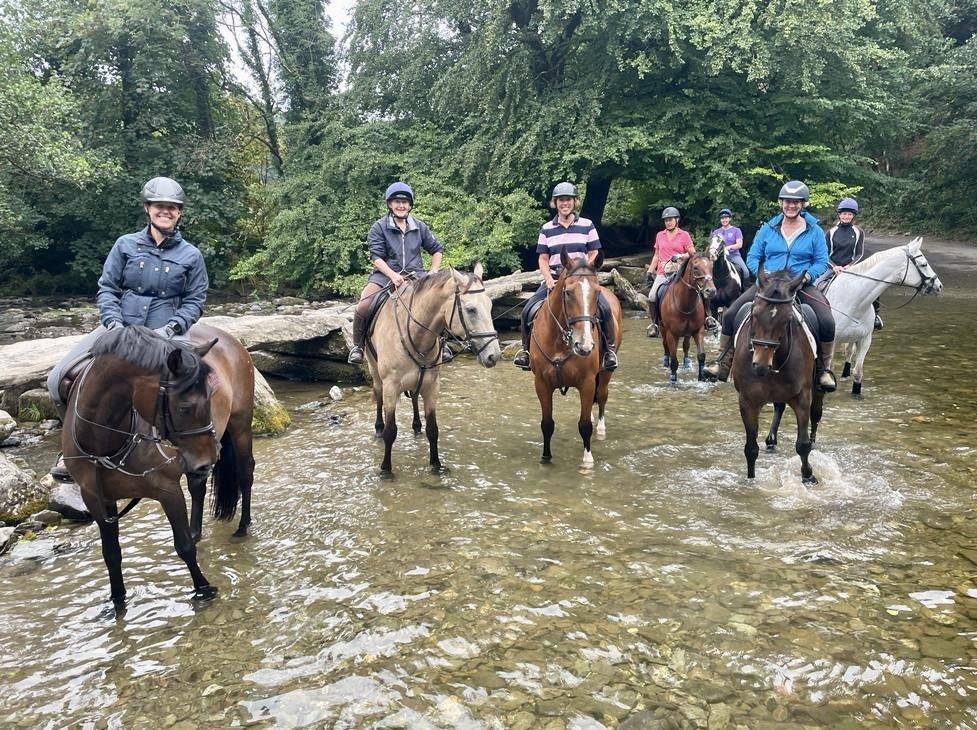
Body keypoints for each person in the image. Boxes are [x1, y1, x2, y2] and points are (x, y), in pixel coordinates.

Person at [46, 176, 209, 477]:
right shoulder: (125, 245)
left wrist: (172, 329)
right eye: (160, 206)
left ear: (180, 213)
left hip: (166, 333)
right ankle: (69, 446)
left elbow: (195, 300)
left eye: (172, 208)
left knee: (190, 389)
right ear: (147, 209)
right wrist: (112, 322)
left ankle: (196, 446)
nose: (166, 211)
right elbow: (107, 288)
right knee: (57, 379)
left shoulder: (191, 255)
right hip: (120, 329)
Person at [703, 180, 838, 392]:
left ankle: (824, 370)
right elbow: (753, 256)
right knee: (730, 315)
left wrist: (807, 277)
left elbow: (821, 261)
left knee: (827, 320)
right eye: (787, 202)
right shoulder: (768, 229)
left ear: (803, 204)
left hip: (798, 284)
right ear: (780, 203)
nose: (791, 206)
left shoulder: (815, 231)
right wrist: (763, 277)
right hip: (767, 285)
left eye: (796, 202)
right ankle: (722, 362)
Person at [512, 182, 618, 370]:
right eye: (561, 200)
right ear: (555, 203)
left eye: (568, 199)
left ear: (574, 202)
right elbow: (543, 259)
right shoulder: (546, 228)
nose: (565, 203)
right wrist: (548, 280)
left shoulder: (587, 225)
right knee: (527, 310)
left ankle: (609, 351)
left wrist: (586, 267)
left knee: (605, 309)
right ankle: (526, 352)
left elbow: (594, 252)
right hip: (555, 278)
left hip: (581, 280)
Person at [347, 182, 450, 365]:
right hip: (384, 275)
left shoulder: (419, 226)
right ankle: (358, 346)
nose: (401, 205)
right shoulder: (379, 227)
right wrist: (393, 275)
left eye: (404, 202)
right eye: (397, 201)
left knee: (438, 301)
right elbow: (376, 257)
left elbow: (437, 249)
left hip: (416, 275)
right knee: (364, 304)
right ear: (390, 204)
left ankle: (444, 343)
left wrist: (433, 271)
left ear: (410, 205)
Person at [823, 197, 883, 329]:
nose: (846, 216)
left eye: (849, 214)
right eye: (844, 213)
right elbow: (825, 254)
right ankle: (818, 313)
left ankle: (876, 317)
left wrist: (850, 266)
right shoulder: (831, 233)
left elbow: (859, 253)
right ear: (839, 214)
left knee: (874, 284)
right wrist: (835, 267)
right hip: (833, 267)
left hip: (852, 267)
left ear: (853, 216)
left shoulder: (858, 232)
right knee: (817, 284)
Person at [645, 206, 695, 338]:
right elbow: (656, 255)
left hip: (680, 271)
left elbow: (692, 254)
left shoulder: (684, 235)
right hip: (663, 271)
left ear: (676, 220)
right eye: (666, 220)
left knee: (697, 291)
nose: (668, 222)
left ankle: (707, 318)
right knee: (652, 296)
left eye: (671, 219)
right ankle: (654, 324)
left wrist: (680, 256)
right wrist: (650, 271)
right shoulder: (659, 235)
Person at [711, 208, 751, 284]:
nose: (724, 220)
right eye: (722, 218)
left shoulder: (736, 230)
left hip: (733, 255)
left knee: (746, 272)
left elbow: (739, 244)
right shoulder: (716, 232)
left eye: (726, 218)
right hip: (719, 257)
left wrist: (729, 247)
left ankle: (746, 290)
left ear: (729, 219)